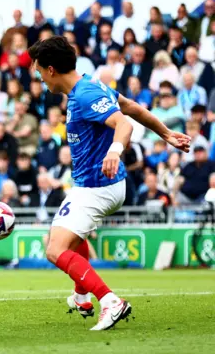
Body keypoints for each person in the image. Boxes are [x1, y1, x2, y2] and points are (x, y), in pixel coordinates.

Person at [28, 36, 190, 330]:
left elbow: (124, 123)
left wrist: (115, 150)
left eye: (39, 71)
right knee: (69, 237)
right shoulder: (89, 86)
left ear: (51, 69)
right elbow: (131, 107)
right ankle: (81, 296)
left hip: (97, 186)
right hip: (95, 184)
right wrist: (166, 133)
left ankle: (110, 301)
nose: (39, 77)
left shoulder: (86, 93)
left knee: (54, 249)